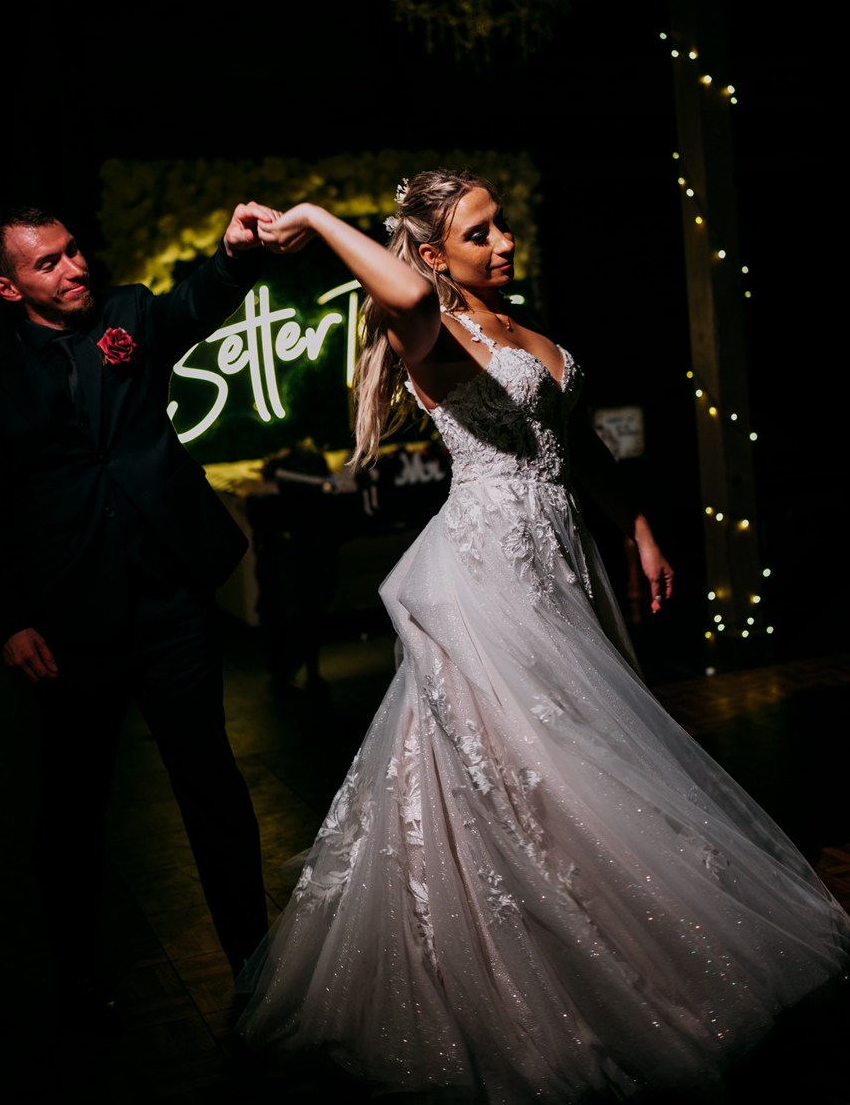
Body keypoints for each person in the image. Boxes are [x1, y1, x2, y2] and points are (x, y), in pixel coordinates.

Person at [234, 169, 849, 1102]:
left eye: (502, 223)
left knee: (584, 749)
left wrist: (635, 529)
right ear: (436, 254)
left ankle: (611, 934)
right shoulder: (426, 323)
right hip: (485, 570)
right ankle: (543, 970)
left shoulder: (525, 328)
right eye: (479, 234)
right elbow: (398, 286)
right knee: (532, 764)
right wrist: (318, 219)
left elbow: (576, 443)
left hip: (561, 554)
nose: (505, 241)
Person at [0, 201, 276, 1029]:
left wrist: (235, 254)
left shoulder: (128, 316)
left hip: (169, 601)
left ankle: (256, 961)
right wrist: (8, 622)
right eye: (49, 264)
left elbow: (192, 303)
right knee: (71, 810)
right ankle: (77, 979)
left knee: (210, 784)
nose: (74, 270)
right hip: (69, 623)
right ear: (7, 286)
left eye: (73, 253)